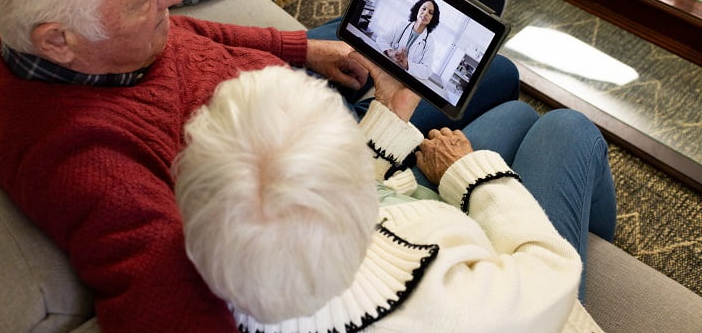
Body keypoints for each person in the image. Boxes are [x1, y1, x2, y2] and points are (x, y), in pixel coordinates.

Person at [0, 0, 521, 332]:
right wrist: (381, 128)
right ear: (58, 40)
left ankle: (466, 25)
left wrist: (303, 49)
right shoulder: (90, 168)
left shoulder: (70, 37)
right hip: (289, 156)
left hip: (278, 89)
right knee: (500, 84)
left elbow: (184, 34)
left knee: (471, 67)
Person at [175, 64, 618, 332]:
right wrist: (469, 175)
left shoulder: (236, 242)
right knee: (567, 128)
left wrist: (388, 117)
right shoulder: (452, 312)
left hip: (434, 239)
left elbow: (293, 184)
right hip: (540, 299)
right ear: (364, 215)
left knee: (516, 115)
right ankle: (598, 241)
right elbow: (553, 268)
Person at [376, 0, 440, 79]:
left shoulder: (429, 42)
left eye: (430, 12)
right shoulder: (402, 26)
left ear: (432, 18)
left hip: (403, 80)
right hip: (385, 69)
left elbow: (427, 71)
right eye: (424, 9)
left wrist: (407, 64)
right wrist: (391, 52)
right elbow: (381, 39)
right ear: (418, 10)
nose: (425, 13)